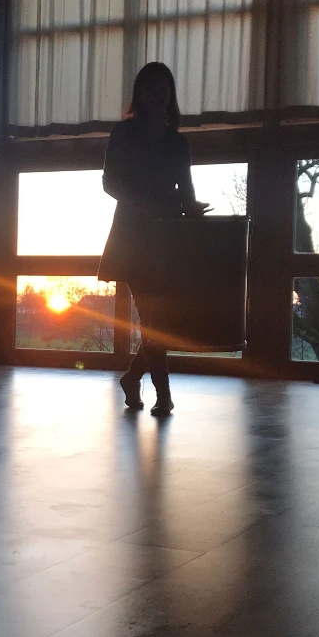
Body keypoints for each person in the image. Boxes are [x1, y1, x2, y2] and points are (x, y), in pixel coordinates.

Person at [98, 62, 211, 415]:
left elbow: (186, 189)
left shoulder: (178, 141)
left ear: (170, 95)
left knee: (158, 320)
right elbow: (109, 182)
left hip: (167, 236)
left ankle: (134, 378)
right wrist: (141, 204)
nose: (158, 95)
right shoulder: (124, 133)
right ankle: (163, 394)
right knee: (153, 317)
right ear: (140, 94)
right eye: (151, 89)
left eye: (163, 90)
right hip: (133, 235)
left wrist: (192, 208)